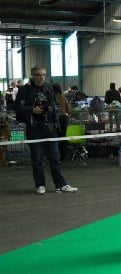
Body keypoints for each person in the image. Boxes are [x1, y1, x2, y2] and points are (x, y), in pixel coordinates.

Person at [14, 65, 78, 194]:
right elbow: (16, 107)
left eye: (43, 74)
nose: (41, 77)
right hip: (34, 128)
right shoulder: (24, 90)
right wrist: (31, 109)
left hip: (50, 127)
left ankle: (61, 184)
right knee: (37, 159)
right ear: (32, 75)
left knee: (55, 157)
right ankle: (40, 185)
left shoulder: (48, 87)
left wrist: (56, 112)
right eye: (38, 75)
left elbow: (53, 103)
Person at [52, 83, 71, 161]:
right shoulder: (63, 97)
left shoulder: (52, 98)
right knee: (63, 136)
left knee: (54, 137)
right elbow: (69, 108)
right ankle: (63, 155)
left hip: (55, 119)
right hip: (64, 118)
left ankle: (56, 155)